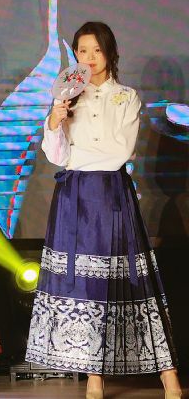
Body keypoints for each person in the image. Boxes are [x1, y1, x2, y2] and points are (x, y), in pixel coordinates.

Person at [25, 21, 182, 399]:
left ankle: (168, 374)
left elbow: (118, 153)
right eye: (82, 51)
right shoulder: (67, 98)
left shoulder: (126, 97)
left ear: (110, 53)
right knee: (83, 284)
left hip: (111, 196)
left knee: (131, 281)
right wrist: (55, 122)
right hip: (73, 198)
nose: (90, 58)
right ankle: (93, 376)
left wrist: (77, 156)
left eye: (96, 50)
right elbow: (57, 156)